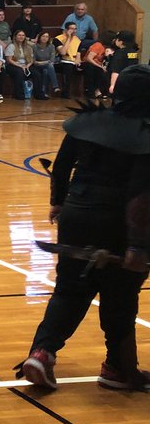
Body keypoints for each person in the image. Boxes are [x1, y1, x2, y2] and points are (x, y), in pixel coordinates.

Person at [18, 66, 150, 391]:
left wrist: (58, 202)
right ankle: (118, 369)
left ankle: (42, 352)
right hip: (118, 223)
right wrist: (138, 245)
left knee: (70, 289)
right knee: (120, 296)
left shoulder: (88, 122)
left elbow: (61, 165)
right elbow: (140, 194)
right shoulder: (147, 135)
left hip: (76, 214)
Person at [6, 29, 35, 100]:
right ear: (15, 36)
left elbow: (31, 59)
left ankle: (39, 93)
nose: (21, 37)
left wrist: (27, 66)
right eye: (19, 35)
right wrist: (20, 66)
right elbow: (9, 60)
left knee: (36, 73)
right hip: (13, 65)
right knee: (19, 72)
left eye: (23, 35)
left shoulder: (28, 47)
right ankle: (19, 94)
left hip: (26, 65)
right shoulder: (11, 46)